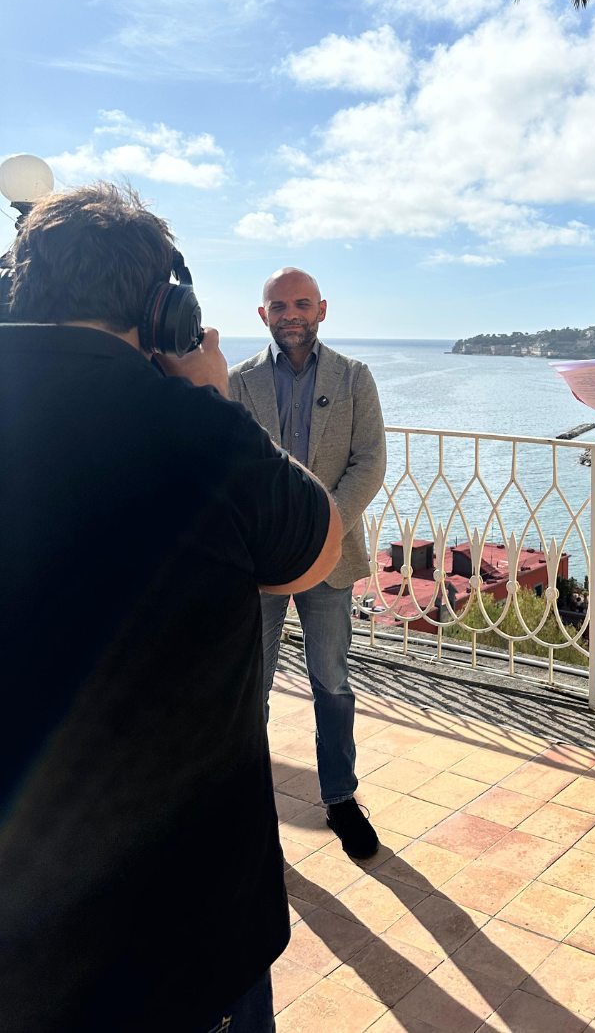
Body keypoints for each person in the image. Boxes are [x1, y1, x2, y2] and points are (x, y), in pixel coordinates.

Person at [0, 185, 343, 1033]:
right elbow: (316, 549)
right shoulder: (196, 427)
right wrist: (209, 399)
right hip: (181, 923)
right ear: (164, 309)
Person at [229, 268, 386, 862]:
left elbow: (370, 462)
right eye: (278, 305)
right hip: (261, 560)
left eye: (301, 303)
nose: (290, 314)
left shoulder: (354, 376)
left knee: (332, 682)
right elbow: (229, 466)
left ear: (322, 309)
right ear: (262, 314)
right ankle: (247, 800)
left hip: (331, 556)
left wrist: (321, 526)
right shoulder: (238, 381)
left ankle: (341, 798)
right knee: (253, 686)